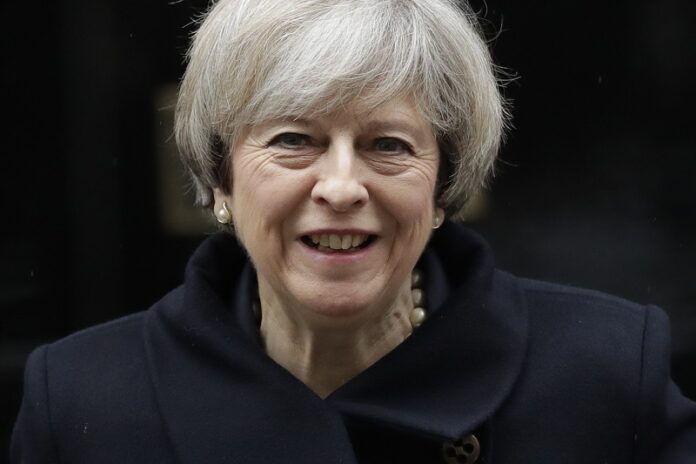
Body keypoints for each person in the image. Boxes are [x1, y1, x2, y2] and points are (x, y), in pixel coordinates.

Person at [11, 0, 696, 462]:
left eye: (389, 145)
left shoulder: (605, 374)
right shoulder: (81, 402)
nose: (341, 186)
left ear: (442, 187)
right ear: (219, 182)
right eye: (293, 139)